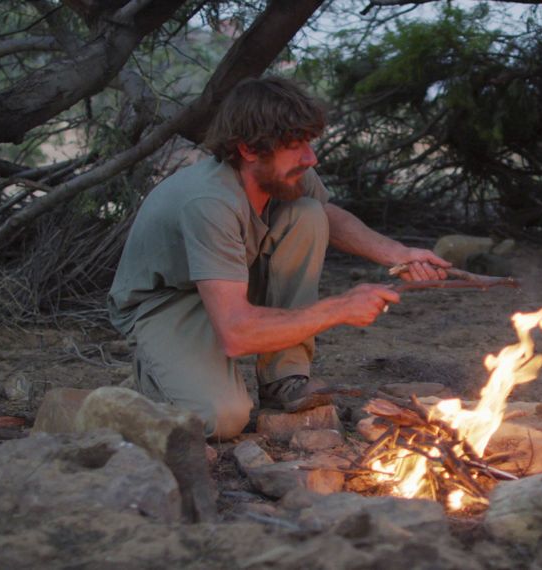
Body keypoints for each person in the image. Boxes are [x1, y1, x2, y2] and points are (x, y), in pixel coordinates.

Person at [107, 77, 449, 439]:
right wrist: (340, 308)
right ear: (249, 150)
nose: (310, 157)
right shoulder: (209, 202)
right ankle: (152, 376)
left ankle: (283, 377)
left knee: (308, 214)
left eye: (308, 143)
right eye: (295, 145)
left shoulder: (285, 173)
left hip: (225, 283)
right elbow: (236, 334)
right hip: (166, 301)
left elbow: (328, 216)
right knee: (221, 417)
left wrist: (400, 254)